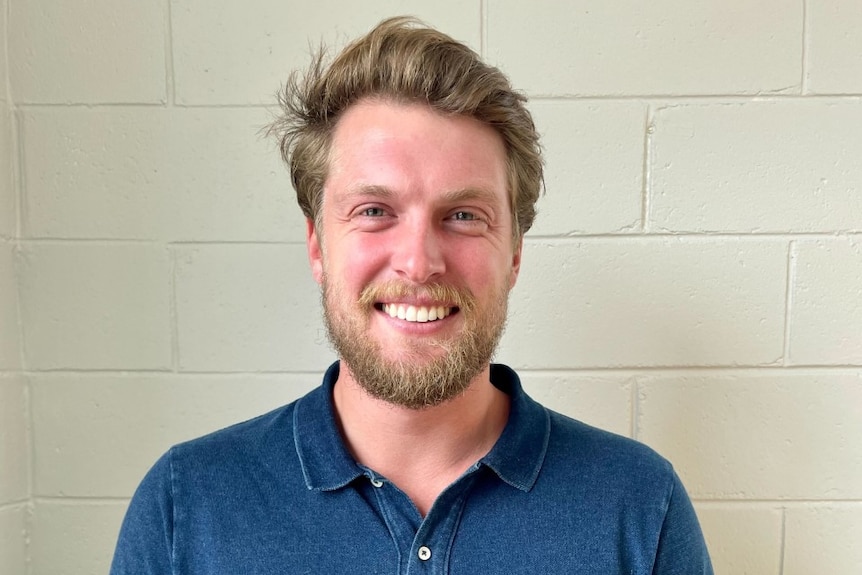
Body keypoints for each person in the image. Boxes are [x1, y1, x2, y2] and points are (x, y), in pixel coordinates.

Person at [111, 17, 713, 574]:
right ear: (318, 244)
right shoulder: (185, 506)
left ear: (515, 254)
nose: (419, 262)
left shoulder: (638, 506)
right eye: (374, 211)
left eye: (464, 215)